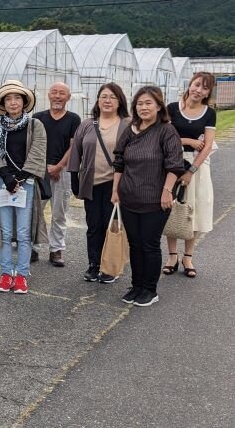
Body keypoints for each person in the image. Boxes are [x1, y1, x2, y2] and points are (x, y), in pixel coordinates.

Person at [112, 86, 184, 307]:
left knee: (149, 244)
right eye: (139, 103)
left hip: (155, 199)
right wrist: (116, 190)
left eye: (148, 103)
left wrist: (167, 191)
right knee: (135, 244)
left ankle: (150, 290)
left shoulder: (166, 131)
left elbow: (175, 164)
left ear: (159, 106)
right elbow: (119, 161)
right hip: (129, 197)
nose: (143, 107)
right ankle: (137, 285)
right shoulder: (130, 129)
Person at [0, 80, 46, 295]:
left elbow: (38, 152)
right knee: (4, 231)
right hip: (3, 183)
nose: (13, 102)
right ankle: (5, 273)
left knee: (23, 231)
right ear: (3, 102)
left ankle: (21, 275)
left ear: (24, 101)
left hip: (26, 183)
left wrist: (20, 178)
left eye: (17, 98)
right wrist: (6, 176)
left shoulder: (35, 125)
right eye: (8, 98)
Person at [68, 83, 130, 283]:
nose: (107, 100)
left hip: (117, 185)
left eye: (112, 97)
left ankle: (109, 267)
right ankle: (93, 264)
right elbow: (76, 150)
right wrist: (74, 177)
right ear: (97, 100)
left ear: (119, 100)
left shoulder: (127, 124)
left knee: (110, 225)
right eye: (103, 96)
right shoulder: (88, 124)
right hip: (91, 183)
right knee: (93, 226)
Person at [164, 72, 217, 278]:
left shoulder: (209, 113)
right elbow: (166, 139)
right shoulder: (172, 108)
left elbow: (208, 145)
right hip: (172, 163)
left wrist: (191, 171)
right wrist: (188, 141)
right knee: (171, 208)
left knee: (195, 209)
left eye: (204, 88)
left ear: (208, 93)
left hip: (197, 166)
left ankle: (188, 257)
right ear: (190, 84)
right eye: (196, 85)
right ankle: (171, 256)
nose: (198, 90)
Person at [32, 83, 81, 267]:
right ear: (49, 95)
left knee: (59, 212)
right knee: (35, 210)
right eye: (54, 92)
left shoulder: (73, 119)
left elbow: (73, 146)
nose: (58, 96)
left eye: (62, 93)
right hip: (39, 171)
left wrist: (58, 166)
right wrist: (45, 167)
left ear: (68, 97)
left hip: (63, 172)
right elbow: (33, 145)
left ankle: (56, 249)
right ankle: (33, 247)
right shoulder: (38, 118)